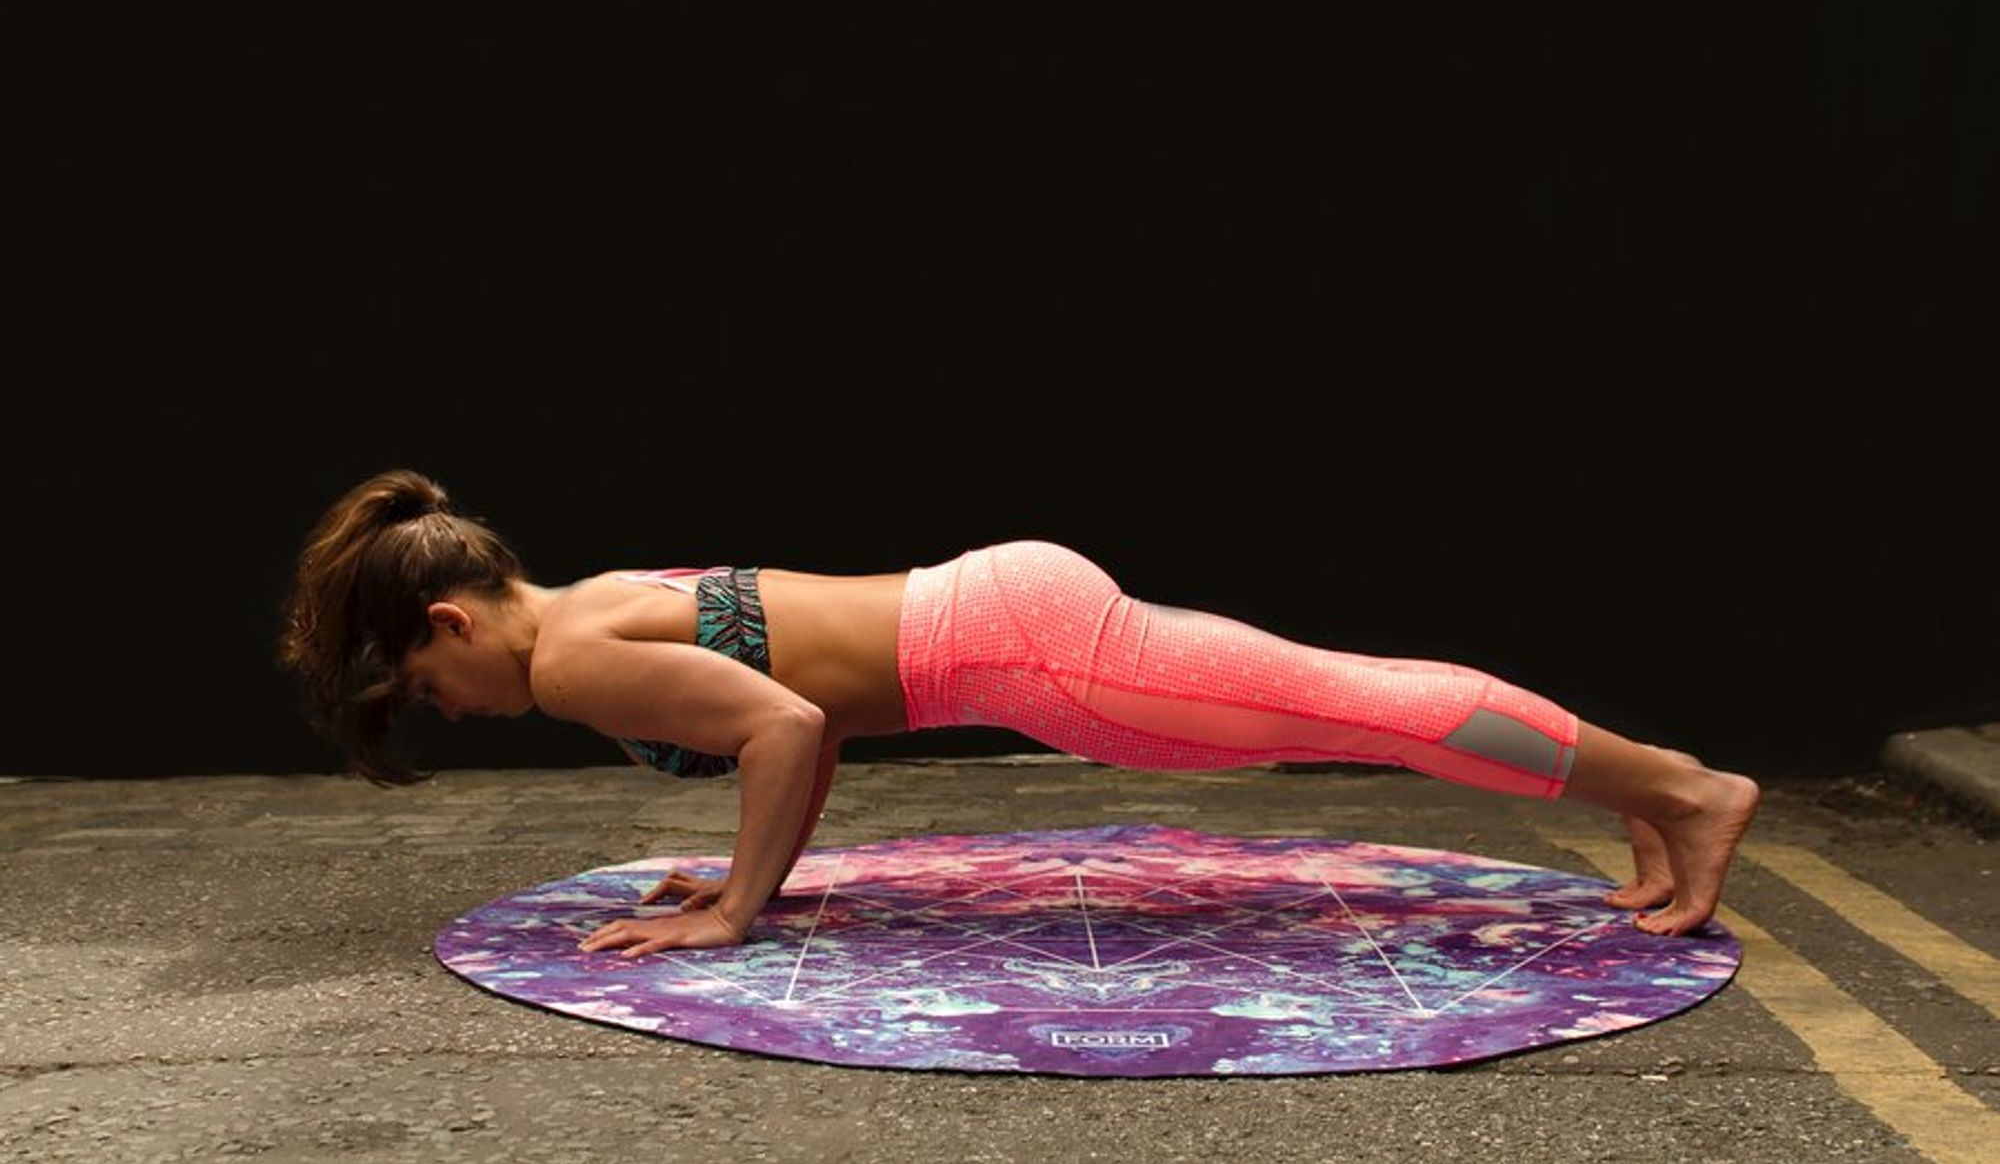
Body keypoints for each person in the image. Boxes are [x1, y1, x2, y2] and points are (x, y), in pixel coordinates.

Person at [278, 469, 1760, 958]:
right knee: (1349, 713)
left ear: (454, 623)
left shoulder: (572, 659)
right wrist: (742, 873)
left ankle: (1686, 790)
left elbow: (786, 729)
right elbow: (790, 706)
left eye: (425, 686)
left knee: (1357, 704)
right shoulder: (591, 598)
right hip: (1008, 631)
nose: (452, 709)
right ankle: (1632, 784)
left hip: (1021, 644)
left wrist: (736, 909)